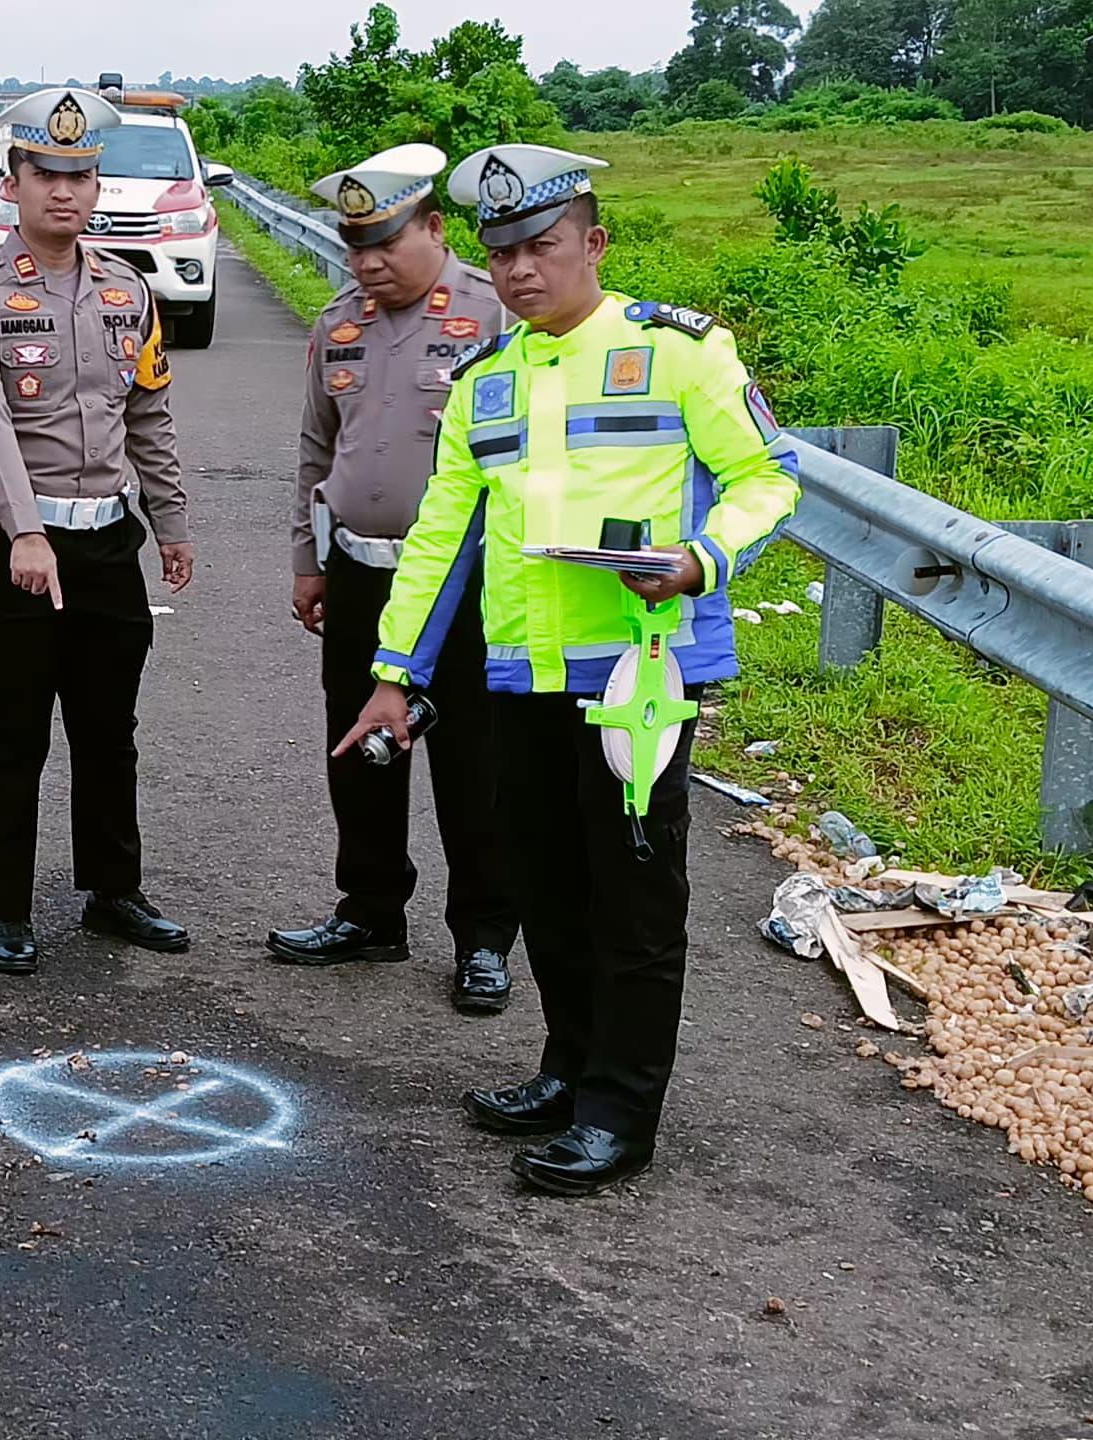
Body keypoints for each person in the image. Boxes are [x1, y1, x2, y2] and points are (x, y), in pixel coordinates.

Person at [339, 143, 801, 1194]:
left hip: (638, 680)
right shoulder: (485, 382)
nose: (518, 271)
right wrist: (394, 675)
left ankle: (618, 1113)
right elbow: (441, 541)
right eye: (501, 253)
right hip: (523, 679)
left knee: (631, 897)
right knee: (545, 887)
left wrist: (699, 559)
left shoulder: (679, 352)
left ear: (593, 245)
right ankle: (567, 1066)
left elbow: (767, 479)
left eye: (541, 247)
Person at [0, 87, 194, 976]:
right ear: (11, 183)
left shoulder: (127, 288)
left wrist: (170, 522)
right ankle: (6, 908)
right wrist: (25, 530)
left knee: (108, 727)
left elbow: (148, 413)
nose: (64, 191)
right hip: (4, 546)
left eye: (80, 175)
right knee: (11, 732)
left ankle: (114, 891)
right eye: (45, 173)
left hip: (104, 542)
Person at [267, 142, 520, 1015]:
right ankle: (370, 910)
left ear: (436, 229)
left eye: (384, 242)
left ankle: (484, 936)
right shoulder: (339, 322)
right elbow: (315, 449)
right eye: (355, 246)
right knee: (359, 748)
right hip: (359, 571)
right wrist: (308, 560)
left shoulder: (493, 316)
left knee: (474, 764)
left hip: (466, 582)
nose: (368, 263)